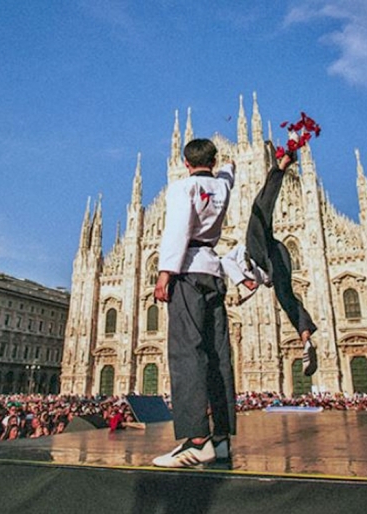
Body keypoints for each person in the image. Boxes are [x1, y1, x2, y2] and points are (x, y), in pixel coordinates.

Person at [152, 138, 236, 468]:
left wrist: (164, 274)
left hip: (186, 270)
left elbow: (177, 230)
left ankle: (196, 439)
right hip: (214, 272)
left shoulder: (182, 188)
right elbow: (230, 173)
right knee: (218, 355)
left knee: (187, 352)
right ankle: (221, 438)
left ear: (185, 163)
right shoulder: (222, 187)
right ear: (213, 161)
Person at [220, 141, 318, 376]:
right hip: (276, 256)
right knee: (288, 299)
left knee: (259, 211)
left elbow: (226, 263)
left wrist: (244, 286)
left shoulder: (230, 263)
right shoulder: (237, 264)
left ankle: (281, 167)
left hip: (259, 257)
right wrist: (245, 289)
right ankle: (305, 338)